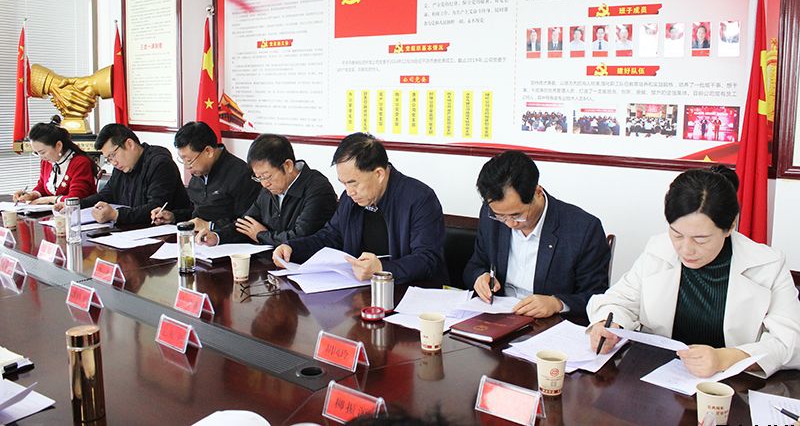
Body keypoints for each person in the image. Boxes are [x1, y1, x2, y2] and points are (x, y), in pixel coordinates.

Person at [587, 167, 800, 378]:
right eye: (677, 234)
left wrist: (724, 358)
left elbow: (790, 343)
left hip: (732, 386)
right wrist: (608, 325)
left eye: (701, 239)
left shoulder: (768, 265)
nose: (686, 250)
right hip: (660, 380)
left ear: (730, 226)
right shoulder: (658, 250)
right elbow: (619, 301)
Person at [272, 132, 448, 285]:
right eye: (344, 184)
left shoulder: (419, 199)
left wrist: (382, 269)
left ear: (378, 174)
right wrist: (292, 248)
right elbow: (331, 237)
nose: (349, 192)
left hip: (410, 295)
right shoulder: (351, 199)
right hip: (361, 291)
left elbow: (427, 260)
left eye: (353, 183)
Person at [463, 151, 610, 318]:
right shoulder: (491, 215)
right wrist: (479, 277)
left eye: (517, 215)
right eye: (501, 216)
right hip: (498, 317)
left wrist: (557, 303)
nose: (510, 224)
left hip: (548, 324)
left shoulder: (583, 229)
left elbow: (597, 295)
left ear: (537, 192)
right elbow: (475, 264)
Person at [196, 134, 337, 246]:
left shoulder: (318, 189)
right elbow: (246, 224)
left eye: (267, 176)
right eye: (259, 178)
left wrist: (261, 235)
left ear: (288, 165)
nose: (264, 184)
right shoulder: (269, 189)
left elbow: (300, 237)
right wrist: (217, 236)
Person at [151, 121, 259, 233]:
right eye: (182, 160)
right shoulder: (198, 174)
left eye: (189, 160)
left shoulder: (241, 175)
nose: (187, 166)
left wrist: (210, 226)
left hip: (226, 241)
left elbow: (248, 223)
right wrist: (174, 216)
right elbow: (196, 213)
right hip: (198, 238)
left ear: (208, 151)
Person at [79, 124, 190, 225]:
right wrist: (76, 205)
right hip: (130, 232)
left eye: (113, 155)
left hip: (164, 234)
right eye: (108, 159)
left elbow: (155, 208)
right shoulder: (121, 167)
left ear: (130, 144)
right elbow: (106, 195)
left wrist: (116, 215)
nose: (113, 163)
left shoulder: (160, 164)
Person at [12, 116, 97, 204]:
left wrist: (47, 199)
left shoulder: (80, 163)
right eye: (36, 153)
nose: (41, 157)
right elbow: (42, 186)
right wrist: (31, 195)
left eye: (42, 152)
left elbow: (75, 198)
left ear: (58, 145)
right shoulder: (47, 161)